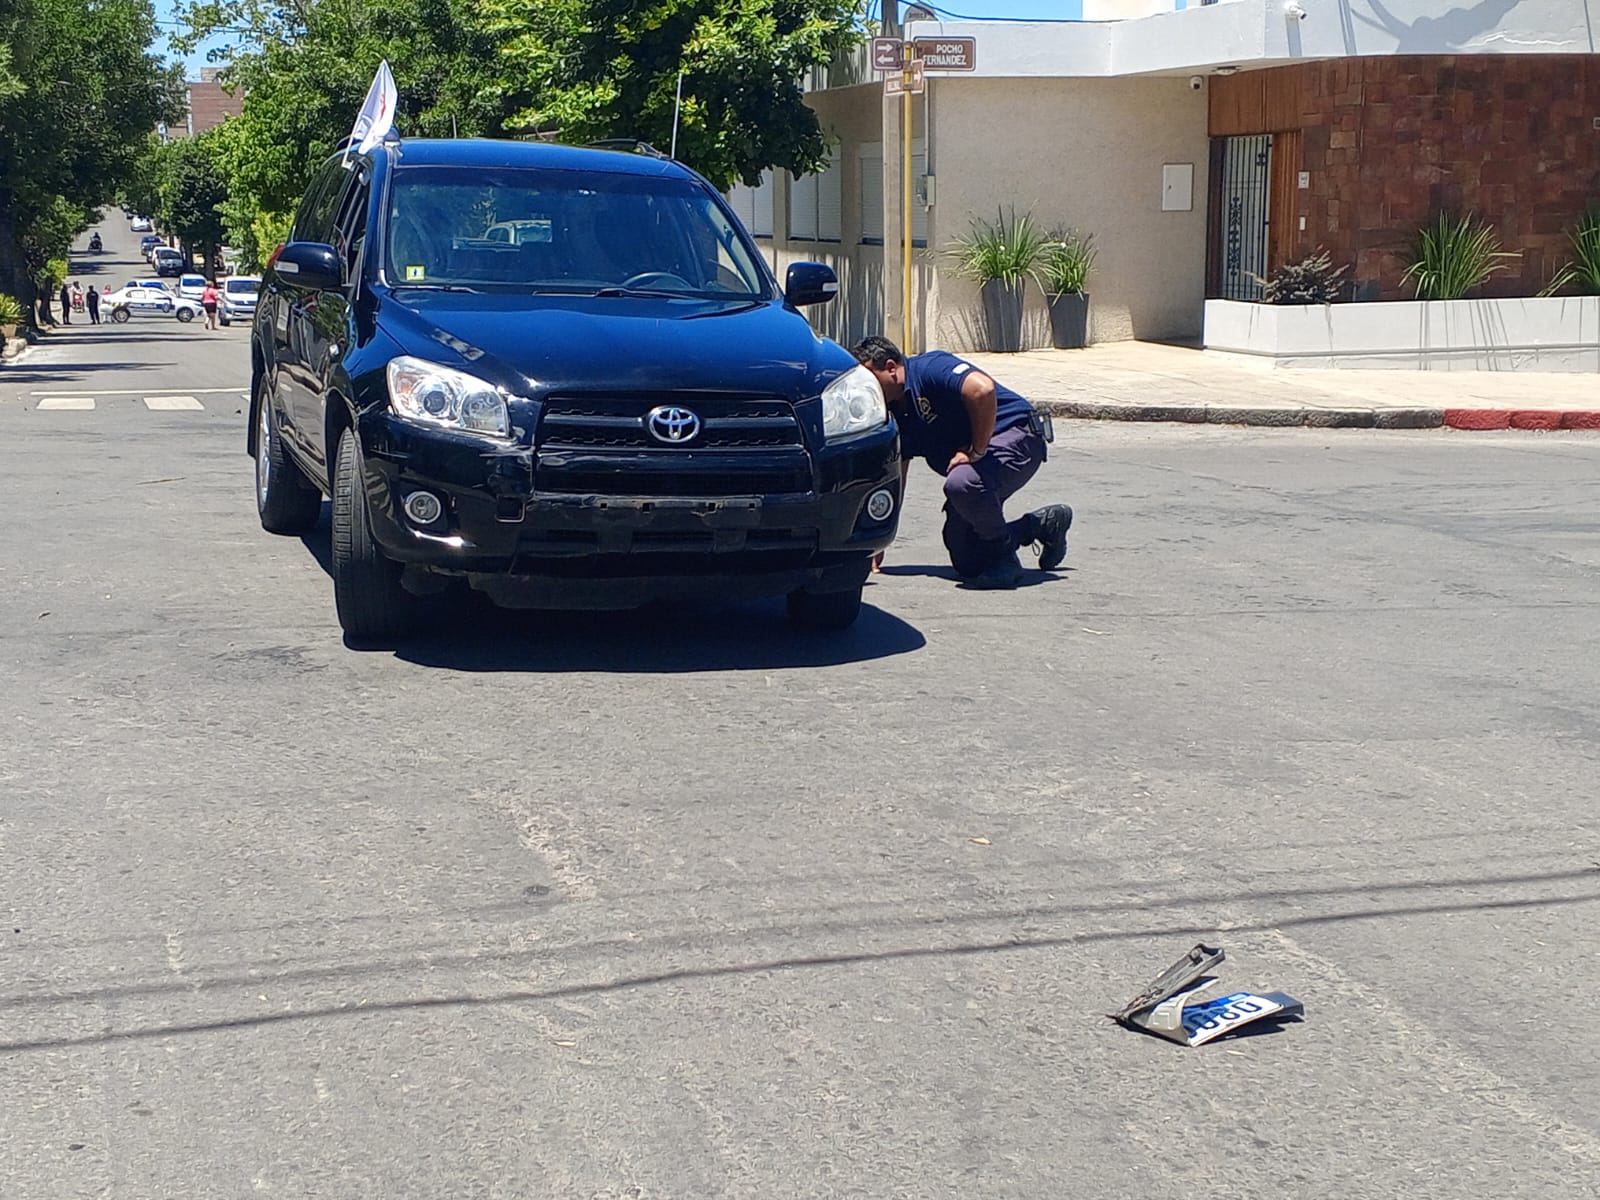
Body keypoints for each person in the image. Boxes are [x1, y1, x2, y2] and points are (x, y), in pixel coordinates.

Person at [852, 335, 1072, 590]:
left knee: (961, 482)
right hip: (983, 460)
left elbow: (982, 389)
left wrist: (975, 451)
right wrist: (882, 534)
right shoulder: (894, 412)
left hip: (1017, 436)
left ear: (891, 368)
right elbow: (898, 472)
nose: (863, 388)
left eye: (868, 378)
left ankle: (1004, 558)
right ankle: (1041, 525)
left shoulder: (930, 368)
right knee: (968, 558)